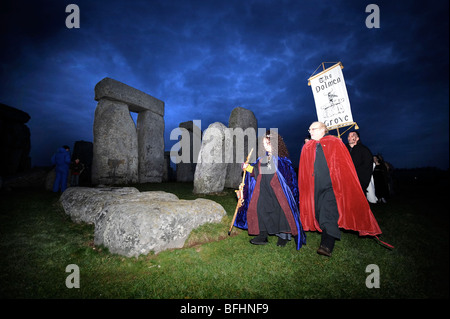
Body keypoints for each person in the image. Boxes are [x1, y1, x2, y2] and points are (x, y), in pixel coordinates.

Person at [298, 122, 382, 257]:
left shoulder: (334, 142)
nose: (310, 131)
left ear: (323, 130)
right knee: (319, 213)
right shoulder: (307, 147)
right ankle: (327, 233)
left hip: (331, 185)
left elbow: (343, 164)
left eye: (313, 129)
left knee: (328, 212)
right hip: (315, 186)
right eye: (309, 129)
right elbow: (304, 169)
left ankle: (327, 245)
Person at [233, 130, 306, 250]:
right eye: (264, 143)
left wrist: (255, 167)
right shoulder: (263, 159)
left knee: (281, 212)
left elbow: (281, 174)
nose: (265, 146)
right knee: (260, 209)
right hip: (263, 189)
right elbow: (258, 172)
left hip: (278, 191)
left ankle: (283, 236)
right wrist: (248, 167)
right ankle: (262, 236)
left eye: (267, 143)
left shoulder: (283, 160)